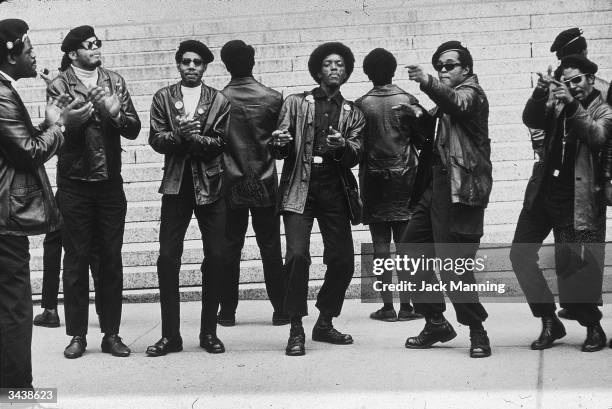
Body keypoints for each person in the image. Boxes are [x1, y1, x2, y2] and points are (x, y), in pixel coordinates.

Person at [0, 18, 91, 386]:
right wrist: (61, 125)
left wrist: (47, 123)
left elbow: (15, 144)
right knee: (16, 311)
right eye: (29, 48)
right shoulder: (2, 93)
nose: (34, 55)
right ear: (11, 53)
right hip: (4, 221)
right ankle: (19, 393)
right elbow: (27, 153)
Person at [48, 25, 141, 359]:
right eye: (89, 45)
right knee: (75, 261)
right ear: (73, 53)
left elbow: (133, 129)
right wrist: (69, 122)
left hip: (110, 185)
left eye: (98, 43)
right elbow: (55, 133)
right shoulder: (59, 83)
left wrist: (115, 113)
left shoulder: (114, 81)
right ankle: (77, 335)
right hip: (74, 185)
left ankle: (111, 333)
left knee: (111, 261)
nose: (96, 49)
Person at [397, 41, 492, 358]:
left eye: (449, 65)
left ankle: (477, 330)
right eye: (438, 66)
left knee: (454, 266)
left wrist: (426, 80)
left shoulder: (472, 94)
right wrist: (416, 117)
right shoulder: (444, 105)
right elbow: (436, 133)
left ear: (466, 69)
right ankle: (435, 321)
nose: (442, 70)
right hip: (435, 188)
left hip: (459, 190)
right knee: (410, 252)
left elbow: (456, 103)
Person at [511, 54, 612, 352]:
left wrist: (570, 102)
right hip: (543, 193)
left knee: (572, 268)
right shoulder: (555, 105)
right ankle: (549, 321)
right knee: (519, 255)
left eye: (577, 80)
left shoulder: (603, 109)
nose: (572, 86)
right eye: (565, 82)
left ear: (591, 79)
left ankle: (592, 327)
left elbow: (597, 136)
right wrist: (541, 90)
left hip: (575, 199)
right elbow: (531, 118)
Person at [270, 42, 364, 356]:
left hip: (334, 188)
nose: (335, 68)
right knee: (297, 256)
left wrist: (341, 146)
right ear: (318, 70)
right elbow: (278, 148)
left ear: (347, 71)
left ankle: (324, 322)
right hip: (300, 186)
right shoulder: (296, 102)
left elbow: (356, 154)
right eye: (328, 64)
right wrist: (280, 142)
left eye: (340, 64)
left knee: (343, 259)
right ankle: (296, 328)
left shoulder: (354, 112)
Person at [146, 40, 230, 356]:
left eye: (197, 62)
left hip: (211, 186)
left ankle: (209, 332)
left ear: (205, 66)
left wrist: (193, 138)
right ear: (178, 65)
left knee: (217, 258)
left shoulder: (219, 100)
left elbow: (221, 141)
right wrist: (179, 136)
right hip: (176, 185)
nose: (191, 67)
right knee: (167, 258)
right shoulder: (163, 97)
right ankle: (171, 336)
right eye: (186, 62)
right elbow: (156, 139)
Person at [218, 40, 288, 327]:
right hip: (265, 180)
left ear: (225, 65)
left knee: (230, 247)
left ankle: (228, 312)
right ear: (253, 62)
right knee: (270, 247)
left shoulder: (218, 99)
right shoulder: (272, 97)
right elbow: (282, 142)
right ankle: (281, 309)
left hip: (231, 181)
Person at [355, 48, 424, 322]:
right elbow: (421, 140)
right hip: (406, 177)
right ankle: (407, 306)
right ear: (394, 70)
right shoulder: (407, 99)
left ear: (368, 73)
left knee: (380, 243)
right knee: (406, 243)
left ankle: (387, 307)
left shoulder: (361, 103)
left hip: (374, 178)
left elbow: (357, 146)